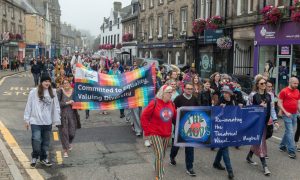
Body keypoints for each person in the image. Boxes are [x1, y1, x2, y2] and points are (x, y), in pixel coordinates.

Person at [24, 74, 61, 167]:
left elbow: (56, 106)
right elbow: (29, 105)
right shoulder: (34, 92)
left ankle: (43, 158)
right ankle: (35, 157)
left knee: (45, 142)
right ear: (41, 82)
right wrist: (26, 119)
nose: (47, 83)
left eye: (49, 81)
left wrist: (57, 119)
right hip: (35, 121)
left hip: (47, 122)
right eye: (45, 81)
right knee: (36, 139)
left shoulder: (53, 92)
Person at [141, 85, 176, 180]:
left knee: (161, 154)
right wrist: (147, 132)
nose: (170, 94)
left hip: (167, 133)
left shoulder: (171, 104)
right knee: (160, 154)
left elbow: (175, 116)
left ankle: (156, 165)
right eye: (168, 92)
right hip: (155, 132)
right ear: (162, 93)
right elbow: (144, 116)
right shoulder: (155, 102)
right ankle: (159, 176)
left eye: (171, 92)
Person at [169, 83, 198, 177]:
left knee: (190, 147)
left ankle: (190, 167)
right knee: (177, 145)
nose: (189, 90)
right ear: (184, 89)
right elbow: (172, 111)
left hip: (191, 127)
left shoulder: (194, 99)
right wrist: (175, 123)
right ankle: (172, 157)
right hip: (180, 126)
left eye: (191, 89)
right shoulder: (178, 98)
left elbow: (199, 111)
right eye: (188, 88)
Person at [246, 76, 271, 176]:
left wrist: (274, 120)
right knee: (260, 143)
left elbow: (271, 108)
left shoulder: (268, 95)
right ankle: (265, 166)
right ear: (257, 85)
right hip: (256, 123)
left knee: (258, 141)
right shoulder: (253, 95)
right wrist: (259, 107)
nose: (264, 85)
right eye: (261, 83)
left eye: (265, 83)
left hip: (265, 122)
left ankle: (249, 156)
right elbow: (248, 108)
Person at [213, 85, 236, 179]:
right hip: (221, 127)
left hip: (230, 126)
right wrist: (220, 108)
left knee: (223, 146)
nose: (225, 94)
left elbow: (241, 108)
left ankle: (216, 162)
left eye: (227, 92)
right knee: (225, 147)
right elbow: (214, 112)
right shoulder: (220, 100)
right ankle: (230, 170)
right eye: (224, 92)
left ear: (230, 93)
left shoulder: (234, 99)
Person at [57, 79, 81, 158]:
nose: (66, 84)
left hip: (72, 115)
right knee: (64, 134)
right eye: (64, 83)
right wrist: (67, 103)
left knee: (72, 133)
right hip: (63, 116)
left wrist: (75, 104)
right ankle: (65, 151)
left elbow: (78, 101)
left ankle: (69, 142)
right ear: (62, 84)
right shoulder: (60, 92)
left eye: (67, 82)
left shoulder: (74, 91)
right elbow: (57, 103)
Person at [278, 77, 300, 159]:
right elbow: (279, 103)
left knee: (288, 131)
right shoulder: (284, 91)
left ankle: (282, 145)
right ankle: (291, 151)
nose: (296, 85)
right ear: (290, 82)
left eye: (297, 83)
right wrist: (285, 112)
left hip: (294, 114)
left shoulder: (297, 91)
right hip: (286, 114)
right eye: (295, 83)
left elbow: (298, 104)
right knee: (290, 132)